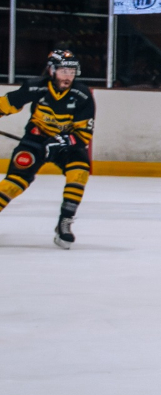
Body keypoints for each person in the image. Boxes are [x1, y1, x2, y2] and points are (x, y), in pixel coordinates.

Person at [0, 50, 95, 248]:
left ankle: (64, 222)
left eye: (72, 72)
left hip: (68, 144)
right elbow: (7, 104)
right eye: (64, 71)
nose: (68, 76)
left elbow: (83, 136)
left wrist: (57, 143)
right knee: (14, 182)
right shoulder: (35, 87)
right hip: (35, 140)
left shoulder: (82, 94)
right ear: (52, 71)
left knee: (79, 171)